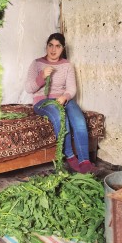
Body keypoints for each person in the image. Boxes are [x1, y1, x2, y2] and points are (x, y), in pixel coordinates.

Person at [25, 33, 96, 174]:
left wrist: (64, 97)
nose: (53, 49)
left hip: (63, 99)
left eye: (58, 46)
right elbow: (29, 88)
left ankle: (85, 161)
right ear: (46, 46)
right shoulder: (37, 63)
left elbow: (71, 89)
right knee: (59, 116)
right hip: (43, 101)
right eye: (50, 45)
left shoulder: (67, 65)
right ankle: (70, 157)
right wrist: (42, 76)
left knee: (79, 120)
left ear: (63, 48)